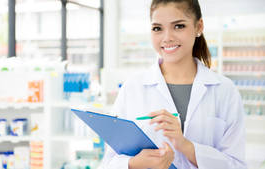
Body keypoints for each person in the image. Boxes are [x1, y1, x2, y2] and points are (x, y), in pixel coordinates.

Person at [99, 0, 247, 168]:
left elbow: (237, 165)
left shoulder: (225, 91)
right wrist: (134, 164)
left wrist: (185, 145)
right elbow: (108, 162)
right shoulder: (132, 88)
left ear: (199, 27)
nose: (167, 37)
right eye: (157, 28)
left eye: (179, 26)